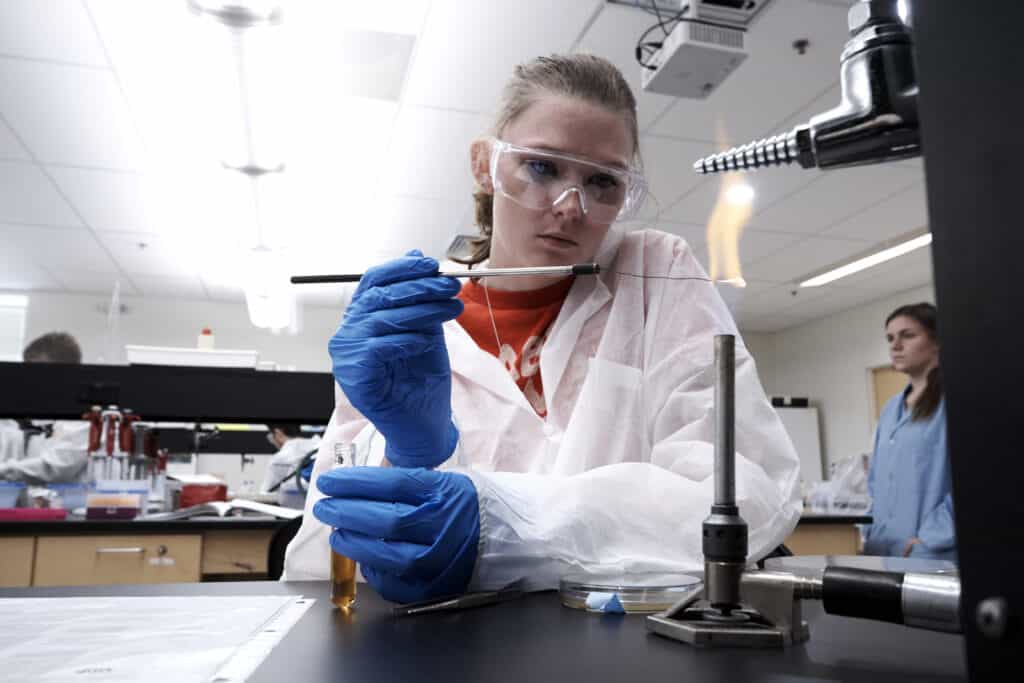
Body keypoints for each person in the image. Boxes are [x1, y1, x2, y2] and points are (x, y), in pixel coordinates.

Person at [284, 54, 801, 602]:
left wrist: (504, 523)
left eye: (603, 181)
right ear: (486, 166)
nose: (571, 206)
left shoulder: (652, 275)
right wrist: (408, 452)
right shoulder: (408, 326)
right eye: (542, 167)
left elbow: (744, 490)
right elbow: (322, 565)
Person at [863, 303, 954, 561]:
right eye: (890, 338)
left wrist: (931, 538)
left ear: (937, 341)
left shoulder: (952, 403)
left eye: (908, 335)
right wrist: (869, 529)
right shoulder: (891, 408)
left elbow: (977, 482)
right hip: (882, 548)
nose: (895, 345)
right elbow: (876, 481)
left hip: (931, 553)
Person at [0, 332, 90, 483]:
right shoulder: (19, 416)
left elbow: (55, 467)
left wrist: (4, 470)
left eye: (36, 372)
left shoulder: (84, 421)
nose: (28, 380)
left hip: (62, 505)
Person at [259, 423, 322, 501]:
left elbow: (265, 496)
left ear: (278, 433)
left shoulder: (279, 459)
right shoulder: (320, 446)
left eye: (271, 437)